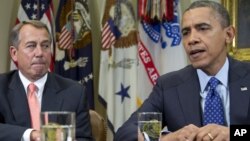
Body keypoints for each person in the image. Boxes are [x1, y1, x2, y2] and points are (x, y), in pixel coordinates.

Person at [115, 1, 250, 141]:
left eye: (203, 28)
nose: (192, 39)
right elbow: (127, 133)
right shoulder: (169, 87)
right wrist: (166, 138)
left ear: (228, 34)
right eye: (186, 32)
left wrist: (234, 134)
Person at [0, 20, 93, 141]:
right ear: (14, 53)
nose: (39, 53)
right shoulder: (1, 87)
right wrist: (32, 135)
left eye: (45, 46)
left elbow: (84, 138)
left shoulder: (75, 92)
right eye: (31, 46)